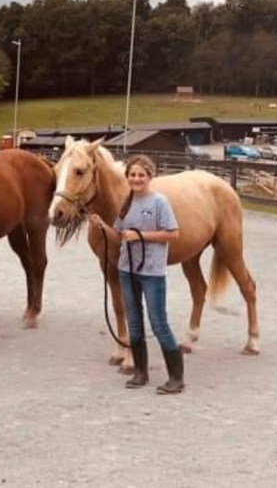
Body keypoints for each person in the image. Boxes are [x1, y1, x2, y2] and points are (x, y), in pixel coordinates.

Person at [87, 154, 183, 394]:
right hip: (127, 270)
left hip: (152, 271)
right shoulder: (126, 203)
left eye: (141, 175)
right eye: (132, 174)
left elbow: (173, 234)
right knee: (134, 322)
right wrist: (102, 226)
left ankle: (176, 377)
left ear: (150, 176)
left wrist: (141, 235)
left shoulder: (159, 202)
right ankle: (141, 372)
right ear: (127, 177)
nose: (136, 179)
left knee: (159, 323)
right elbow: (119, 237)